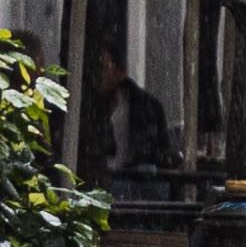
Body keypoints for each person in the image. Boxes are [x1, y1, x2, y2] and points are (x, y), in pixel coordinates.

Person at [76, 41, 178, 177]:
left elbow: (160, 148)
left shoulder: (146, 106)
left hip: (135, 179)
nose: (98, 75)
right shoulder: (89, 105)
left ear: (119, 71)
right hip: (104, 178)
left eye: (103, 67)